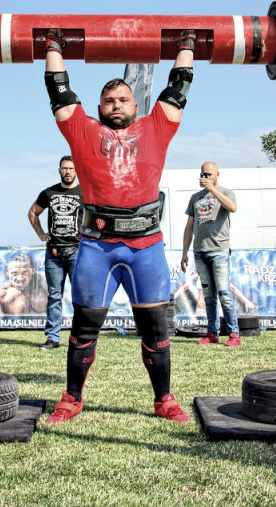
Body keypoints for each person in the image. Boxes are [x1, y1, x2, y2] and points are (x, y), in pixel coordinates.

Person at [41, 27, 196, 424]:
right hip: (96, 246)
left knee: (156, 329)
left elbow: (178, 86)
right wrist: (53, 46)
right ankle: (72, 398)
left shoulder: (156, 127)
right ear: (99, 105)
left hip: (146, 247)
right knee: (84, 327)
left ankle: (164, 399)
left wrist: (188, 45)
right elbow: (59, 90)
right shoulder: (83, 130)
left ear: (135, 103)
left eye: (123, 99)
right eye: (109, 100)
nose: (116, 105)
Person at [180, 161, 240, 346]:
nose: (206, 178)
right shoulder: (195, 198)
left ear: (217, 175)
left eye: (209, 174)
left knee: (224, 293)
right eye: (203, 174)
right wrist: (184, 253)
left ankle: (233, 334)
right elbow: (189, 227)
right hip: (200, 251)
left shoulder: (226, 192)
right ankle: (212, 332)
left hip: (219, 250)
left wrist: (212, 190)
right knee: (208, 295)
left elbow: (232, 207)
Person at [27, 155, 83, 350]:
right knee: (54, 296)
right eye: (64, 168)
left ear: (76, 170)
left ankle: (80, 337)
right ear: (59, 170)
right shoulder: (49, 193)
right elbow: (32, 212)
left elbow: (97, 214)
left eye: (71, 168)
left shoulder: (84, 192)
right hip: (54, 253)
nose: (67, 171)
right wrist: (41, 234)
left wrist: (88, 234)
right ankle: (53, 337)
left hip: (76, 251)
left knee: (79, 296)